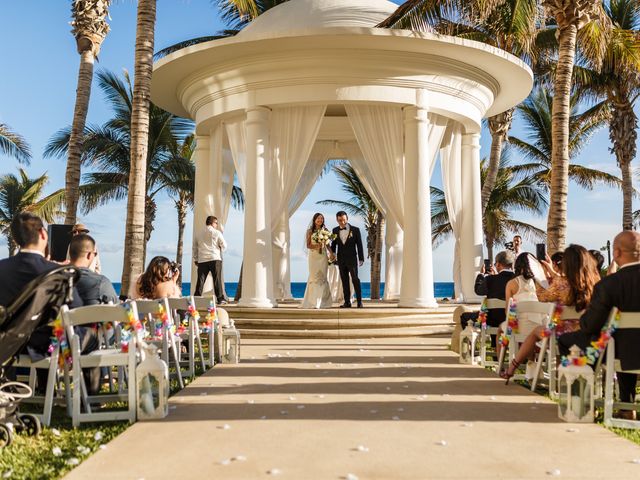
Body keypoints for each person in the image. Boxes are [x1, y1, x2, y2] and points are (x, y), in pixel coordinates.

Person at [0, 212, 99, 393]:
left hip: (8, 346)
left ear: (16, 239)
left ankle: (36, 387)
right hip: (49, 346)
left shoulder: (2, 270)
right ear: (43, 234)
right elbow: (77, 312)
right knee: (89, 336)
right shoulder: (58, 273)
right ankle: (89, 396)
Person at [558, 231, 640, 418]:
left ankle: (582, 402)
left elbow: (589, 326)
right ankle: (626, 407)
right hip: (627, 349)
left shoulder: (609, 284)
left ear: (617, 253)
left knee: (566, 341)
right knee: (626, 341)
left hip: (619, 350)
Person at [500, 244, 601, 383]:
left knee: (536, 332)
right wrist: (552, 272)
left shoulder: (561, 284)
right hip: (591, 335)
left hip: (561, 336)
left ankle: (512, 368)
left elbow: (541, 296)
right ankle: (564, 379)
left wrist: (540, 274)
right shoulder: (597, 283)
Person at [460, 250, 515, 328]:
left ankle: (477, 339)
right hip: (513, 321)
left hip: (492, 320)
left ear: (498, 264)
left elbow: (478, 291)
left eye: (495, 264)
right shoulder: (517, 279)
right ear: (512, 265)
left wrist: (481, 274)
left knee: (464, 317)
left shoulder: (490, 279)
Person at [68, 234, 118, 305]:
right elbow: (119, 310)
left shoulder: (55, 280)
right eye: (95, 254)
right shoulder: (101, 283)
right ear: (89, 255)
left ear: (70, 254)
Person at [331, 211, 364, 308]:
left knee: (355, 279)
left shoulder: (355, 230)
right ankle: (347, 302)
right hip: (341, 259)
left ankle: (359, 301)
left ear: (347, 219)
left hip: (352, 259)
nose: (342, 222)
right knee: (344, 281)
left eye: (344, 220)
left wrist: (361, 258)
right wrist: (332, 255)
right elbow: (334, 245)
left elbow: (359, 245)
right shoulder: (335, 230)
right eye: (340, 220)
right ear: (337, 220)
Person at [300, 213, 334, 309]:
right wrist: (317, 246)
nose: (320, 220)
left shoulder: (325, 231)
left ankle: (323, 302)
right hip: (313, 257)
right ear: (314, 220)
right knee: (314, 277)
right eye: (318, 218)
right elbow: (308, 245)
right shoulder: (309, 231)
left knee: (323, 277)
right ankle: (313, 302)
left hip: (323, 256)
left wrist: (331, 253)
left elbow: (327, 245)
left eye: (322, 218)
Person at [193, 216, 227, 303]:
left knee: (200, 280)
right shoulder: (217, 232)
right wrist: (220, 248)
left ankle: (196, 299)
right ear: (212, 223)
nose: (217, 225)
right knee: (217, 279)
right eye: (216, 223)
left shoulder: (198, 234)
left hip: (202, 260)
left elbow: (195, 248)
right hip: (214, 258)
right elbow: (224, 246)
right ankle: (220, 299)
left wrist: (196, 259)